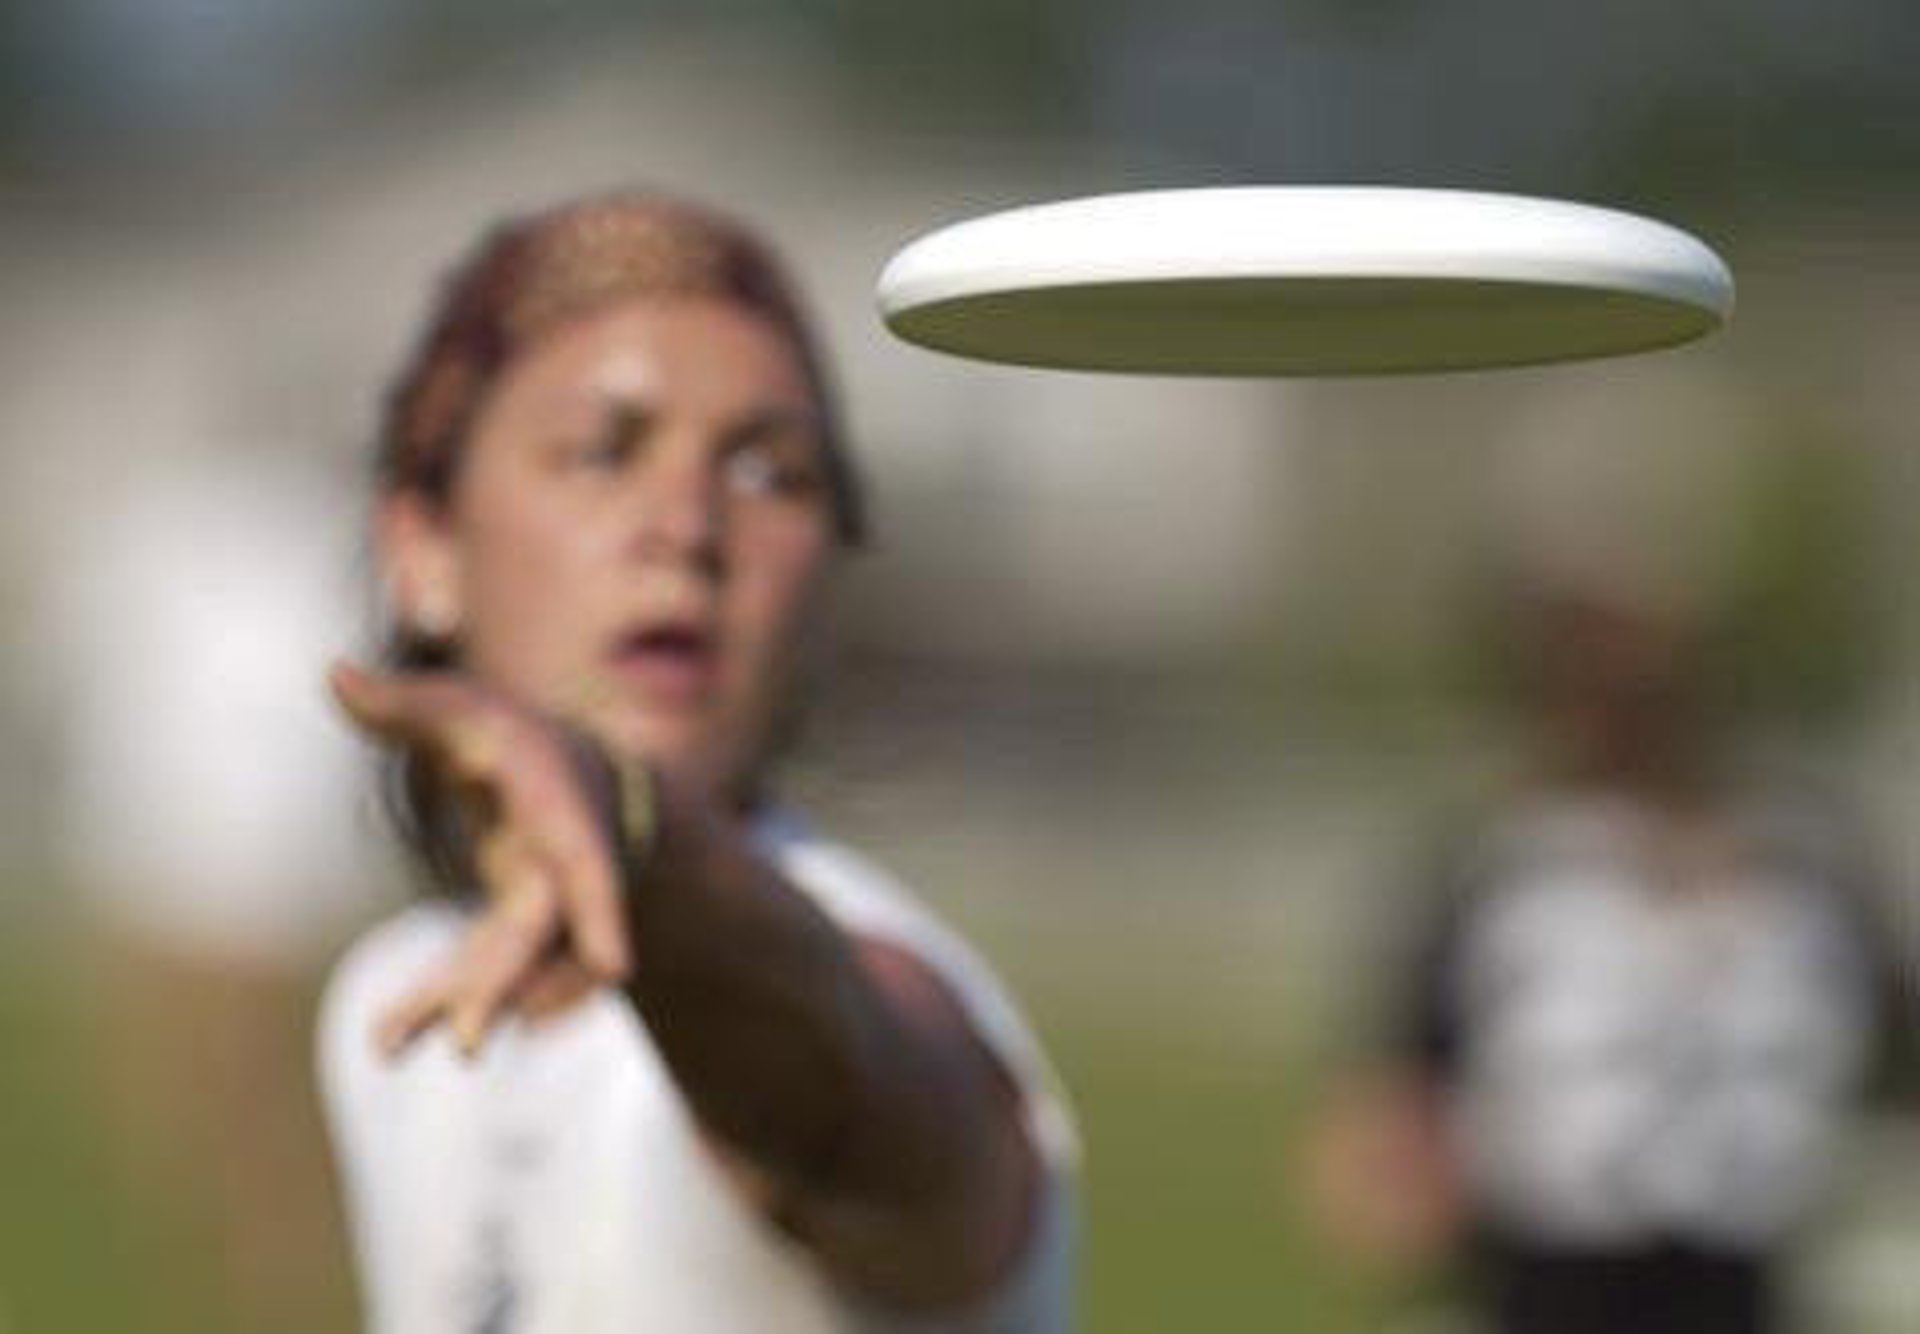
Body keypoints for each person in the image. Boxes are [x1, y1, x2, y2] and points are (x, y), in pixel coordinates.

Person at [317, 192, 1076, 1333]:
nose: (686, 523)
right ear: (423, 550)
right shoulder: (391, 1005)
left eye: (771, 473)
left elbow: (848, 1084)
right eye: (602, 452)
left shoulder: (883, 985)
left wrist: (622, 815)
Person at [1307, 577, 1910, 1334]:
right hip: (1548, 1272)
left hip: (1746, 1274)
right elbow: (1396, 1099)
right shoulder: (1504, 864)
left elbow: (1892, 1041)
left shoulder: (1804, 866)